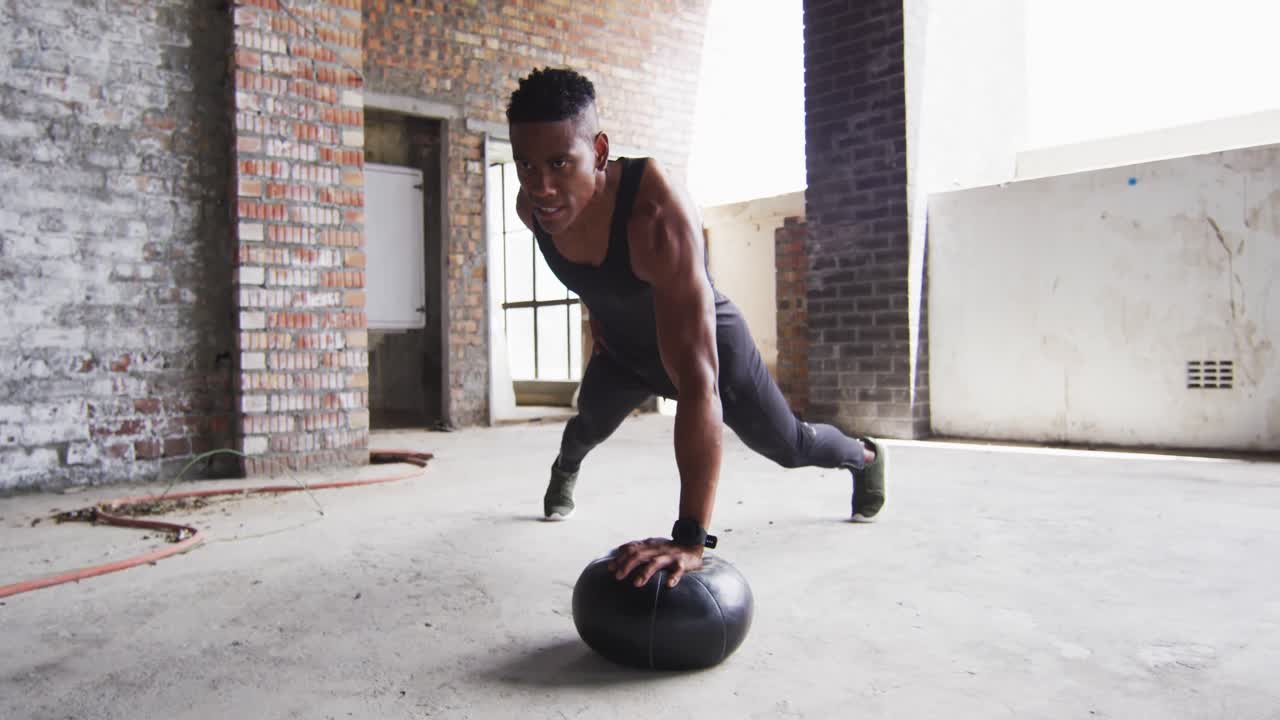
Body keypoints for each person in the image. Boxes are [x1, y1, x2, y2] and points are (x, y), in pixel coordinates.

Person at [505, 68, 887, 589]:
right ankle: (564, 470)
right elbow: (600, 284)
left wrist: (690, 538)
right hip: (623, 353)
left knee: (790, 446)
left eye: (559, 163)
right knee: (587, 425)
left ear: (597, 152)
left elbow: (698, 383)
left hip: (709, 350)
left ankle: (864, 457)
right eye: (526, 164)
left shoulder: (655, 212)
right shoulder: (531, 209)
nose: (542, 187)